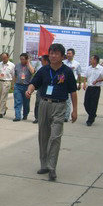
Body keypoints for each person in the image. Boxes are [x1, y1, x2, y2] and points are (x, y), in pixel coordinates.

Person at [26, 43, 77, 181]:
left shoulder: (67, 72)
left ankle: (52, 167)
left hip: (59, 106)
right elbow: (34, 83)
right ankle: (44, 165)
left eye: (56, 54)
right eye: (51, 53)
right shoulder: (44, 70)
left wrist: (75, 111)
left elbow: (73, 92)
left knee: (55, 136)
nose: (53, 56)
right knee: (43, 136)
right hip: (44, 104)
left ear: (62, 56)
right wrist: (29, 90)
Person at [83, 55, 103, 126]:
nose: (90, 60)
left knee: (93, 104)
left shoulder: (101, 69)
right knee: (86, 103)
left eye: (91, 59)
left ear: (95, 60)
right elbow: (85, 76)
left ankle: (90, 120)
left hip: (96, 88)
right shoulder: (89, 68)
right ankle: (93, 114)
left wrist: (97, 80)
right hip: (89, 88)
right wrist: (84, 84)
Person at [0, 52, 15, 118]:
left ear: (8, 57)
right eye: (2, 58)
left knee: (3, 97)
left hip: (7, 82)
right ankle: (4, 108)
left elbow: (13, 76)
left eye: (4, 58)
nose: (3, 59)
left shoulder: (12, 65)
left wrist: (13, 85)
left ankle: (1, 112)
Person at [13, 52, 35, 121]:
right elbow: (15, 75)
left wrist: (28, 63)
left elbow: (32, 72)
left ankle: (25, 114)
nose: (21, 60)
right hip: (18, 86)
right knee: (17, 101)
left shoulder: (29, 66)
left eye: (23, 59)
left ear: (26, 59)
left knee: (26, 103)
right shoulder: (17, 65)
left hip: (27, 87)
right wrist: (13, 84)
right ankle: (17, 116)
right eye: (21, 59)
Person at [63, 48, 82, 122]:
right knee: (63, 100)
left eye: (69, 53)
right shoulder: (63, 62)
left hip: (72, 84)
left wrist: (79, 83)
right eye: (67, 53)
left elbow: (79, 74)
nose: (68, 55)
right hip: (63, 83)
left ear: (73, 54)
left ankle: (66, 116)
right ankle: (63, 114)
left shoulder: (77, 64)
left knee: (68, 100)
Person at [33, 55, 49, 123]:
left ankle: (46, 117)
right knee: (38, 102)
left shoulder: (52, 69)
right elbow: (35, 79)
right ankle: (37, 117)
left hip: (49, 88)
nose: (41, 62)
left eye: (42, 60)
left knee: (48, 103)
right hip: (40, 87)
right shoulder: (41, 69)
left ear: (46, 61)